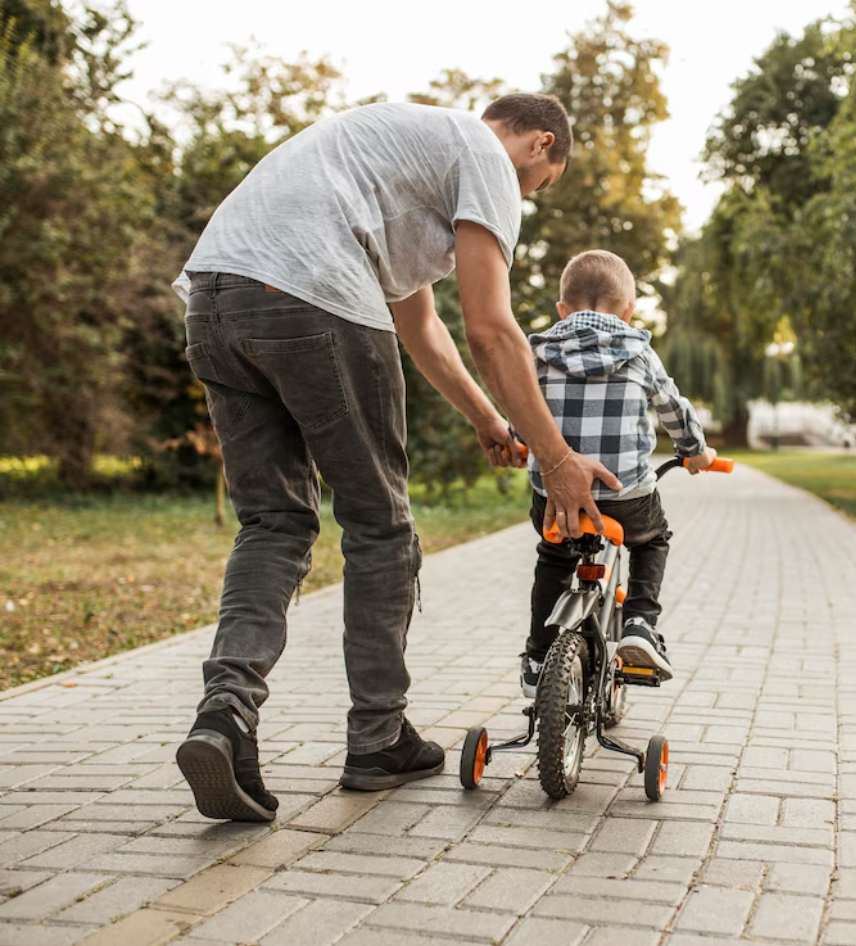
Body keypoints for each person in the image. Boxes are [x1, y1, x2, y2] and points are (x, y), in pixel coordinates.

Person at [172, 94, 624, 822]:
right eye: (538, 189)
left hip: (214, 296)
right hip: (311, 294)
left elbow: (422, 324)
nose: (523, 202)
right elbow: (490, 327)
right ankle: (377, 737)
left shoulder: (396, 158)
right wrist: (558, 456)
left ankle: (225, 716)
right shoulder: (483, 155)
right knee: (380, 529)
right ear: (540, 144)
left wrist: (489, 418)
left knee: (273, 523)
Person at [520, 250, 716, 697]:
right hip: (624, 493)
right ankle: (640, 625)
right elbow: (674, 410)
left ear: (562, 310)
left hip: (555, 496)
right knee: (652, 539)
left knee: (553, 557)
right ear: (628, 311)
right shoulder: (639, 351)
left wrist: (517, 440)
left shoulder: (538, 350)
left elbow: (521, 409)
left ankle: (537, 656)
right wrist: (695, 452)